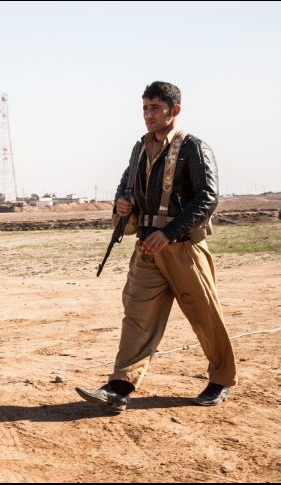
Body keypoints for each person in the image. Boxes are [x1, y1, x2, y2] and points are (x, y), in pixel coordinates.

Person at [76, 81, 237, 412]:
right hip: (147, 247)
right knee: (137, 316)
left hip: (183, 248)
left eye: (155, 108)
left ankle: (220, 380)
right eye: (145, 108)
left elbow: (207, 197)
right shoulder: (139, 148)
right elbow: (127, 184)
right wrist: (122, 202)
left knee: (204, 315)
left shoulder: (194, 147)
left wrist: (172, 232)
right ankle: (119, 386)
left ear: (174, 110)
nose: (148, 115)